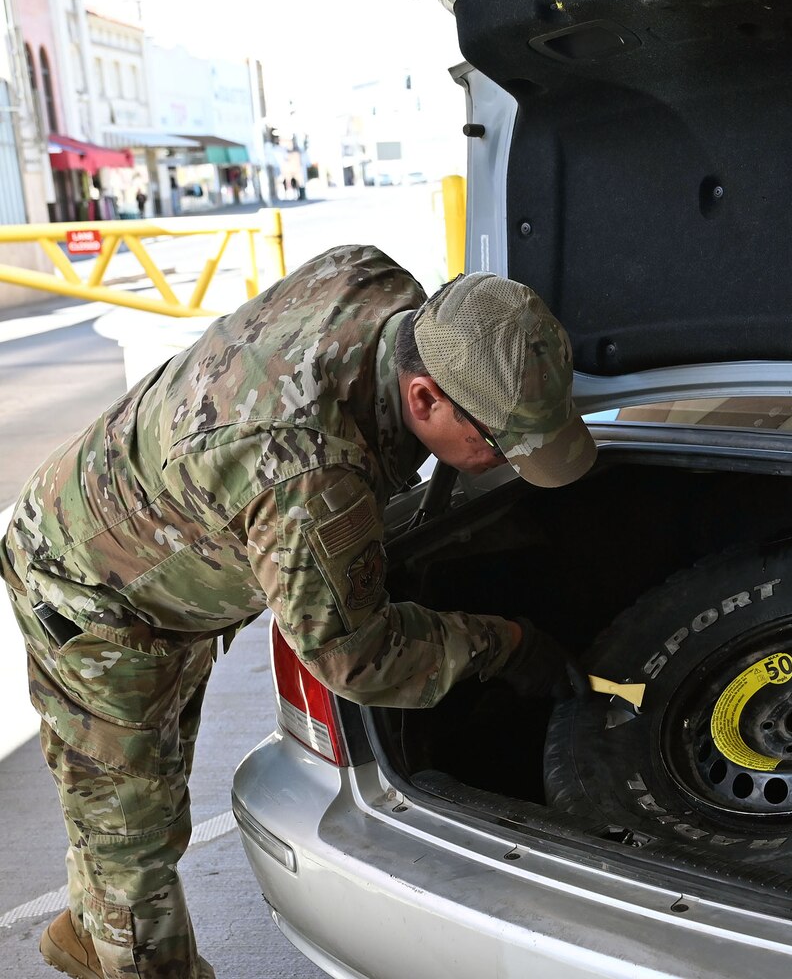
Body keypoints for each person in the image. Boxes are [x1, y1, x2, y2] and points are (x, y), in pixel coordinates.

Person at [1, 245, 597, 979]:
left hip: (167, 547)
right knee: (131, 836)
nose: (505, 463)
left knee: (140, 790)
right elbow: (359, 655)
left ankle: (89, 933)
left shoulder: (379, 285)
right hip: (91, 591)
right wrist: (504, 644)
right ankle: (120, 950)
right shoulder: (309, 479)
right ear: (425, 401)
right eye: (497, 444)